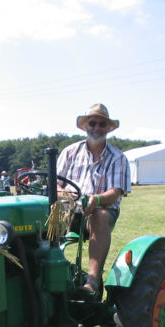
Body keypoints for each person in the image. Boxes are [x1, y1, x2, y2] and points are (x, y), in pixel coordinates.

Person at [57, 103, 131, 295]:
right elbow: (55, 184)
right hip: (68, 210)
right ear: (85, 126)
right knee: (40, 217)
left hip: (101, 209)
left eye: (102, 124)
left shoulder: (117, 157)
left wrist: (95, 200)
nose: (97, 127)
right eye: (93, 123)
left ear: (108, 128)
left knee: (98, 216)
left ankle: (92, 281)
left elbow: (115, 192)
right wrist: (67, 195)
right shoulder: (70, 152)